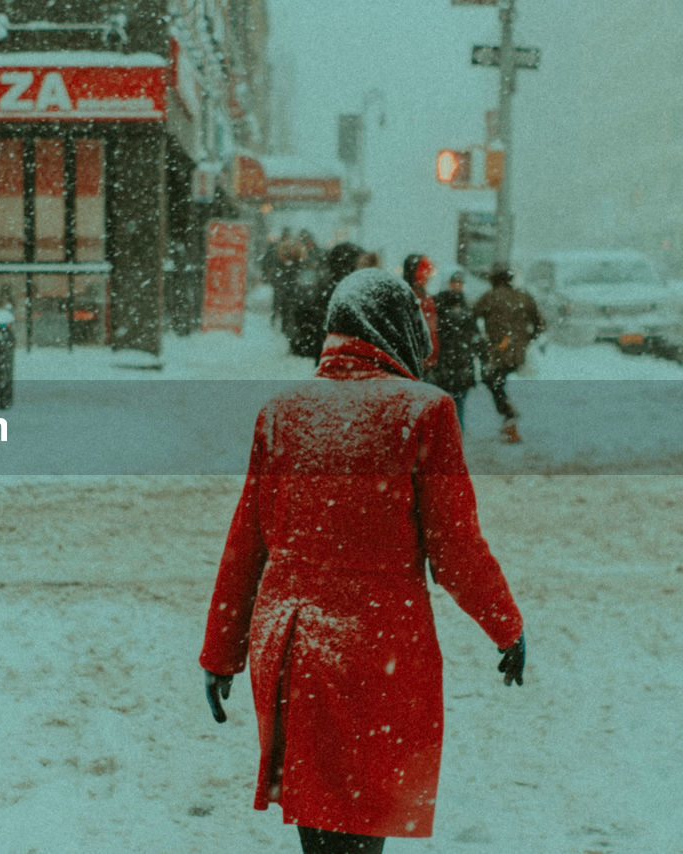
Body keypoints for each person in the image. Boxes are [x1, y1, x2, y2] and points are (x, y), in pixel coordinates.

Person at [199, 268, 526, 854]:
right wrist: (506, 625)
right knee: (361, 820)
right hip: (378, 647)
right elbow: (455, 549)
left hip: (293, 644)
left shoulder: (283, 410)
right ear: (399, 328)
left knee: (318, 823)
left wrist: (223, 652)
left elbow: (247, 538)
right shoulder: (424, 412)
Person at [472, 263, 546, 443]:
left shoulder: (489, 297)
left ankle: (509, 416)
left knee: (493, 381)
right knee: (498, 382)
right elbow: (541, 324)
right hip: (517, 352)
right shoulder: (524, 297)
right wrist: (527, 339)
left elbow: (471, 317)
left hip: (497, 350)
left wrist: (481, 340)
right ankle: (509, 419)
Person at [287, 241, 363, 359]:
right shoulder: (358, 290)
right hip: (352, 359)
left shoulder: (325, 286)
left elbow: (305, 317)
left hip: (327, 357)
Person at [429, 271, 484, 430]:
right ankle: (452, 440)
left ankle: (453, 440)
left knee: (455, 404)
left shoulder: (463, 307)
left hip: (458, 364)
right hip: (449, 363)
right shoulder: (448, 305)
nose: (457, 286)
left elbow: (475, 336)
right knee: (449, 405)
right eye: (454, 283)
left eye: (459, 283)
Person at [401, 253, 440, 372]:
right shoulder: (408, 296)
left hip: (425, 362)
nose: (428, 277)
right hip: (415, 362)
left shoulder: (426, 298)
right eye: (424, 272)